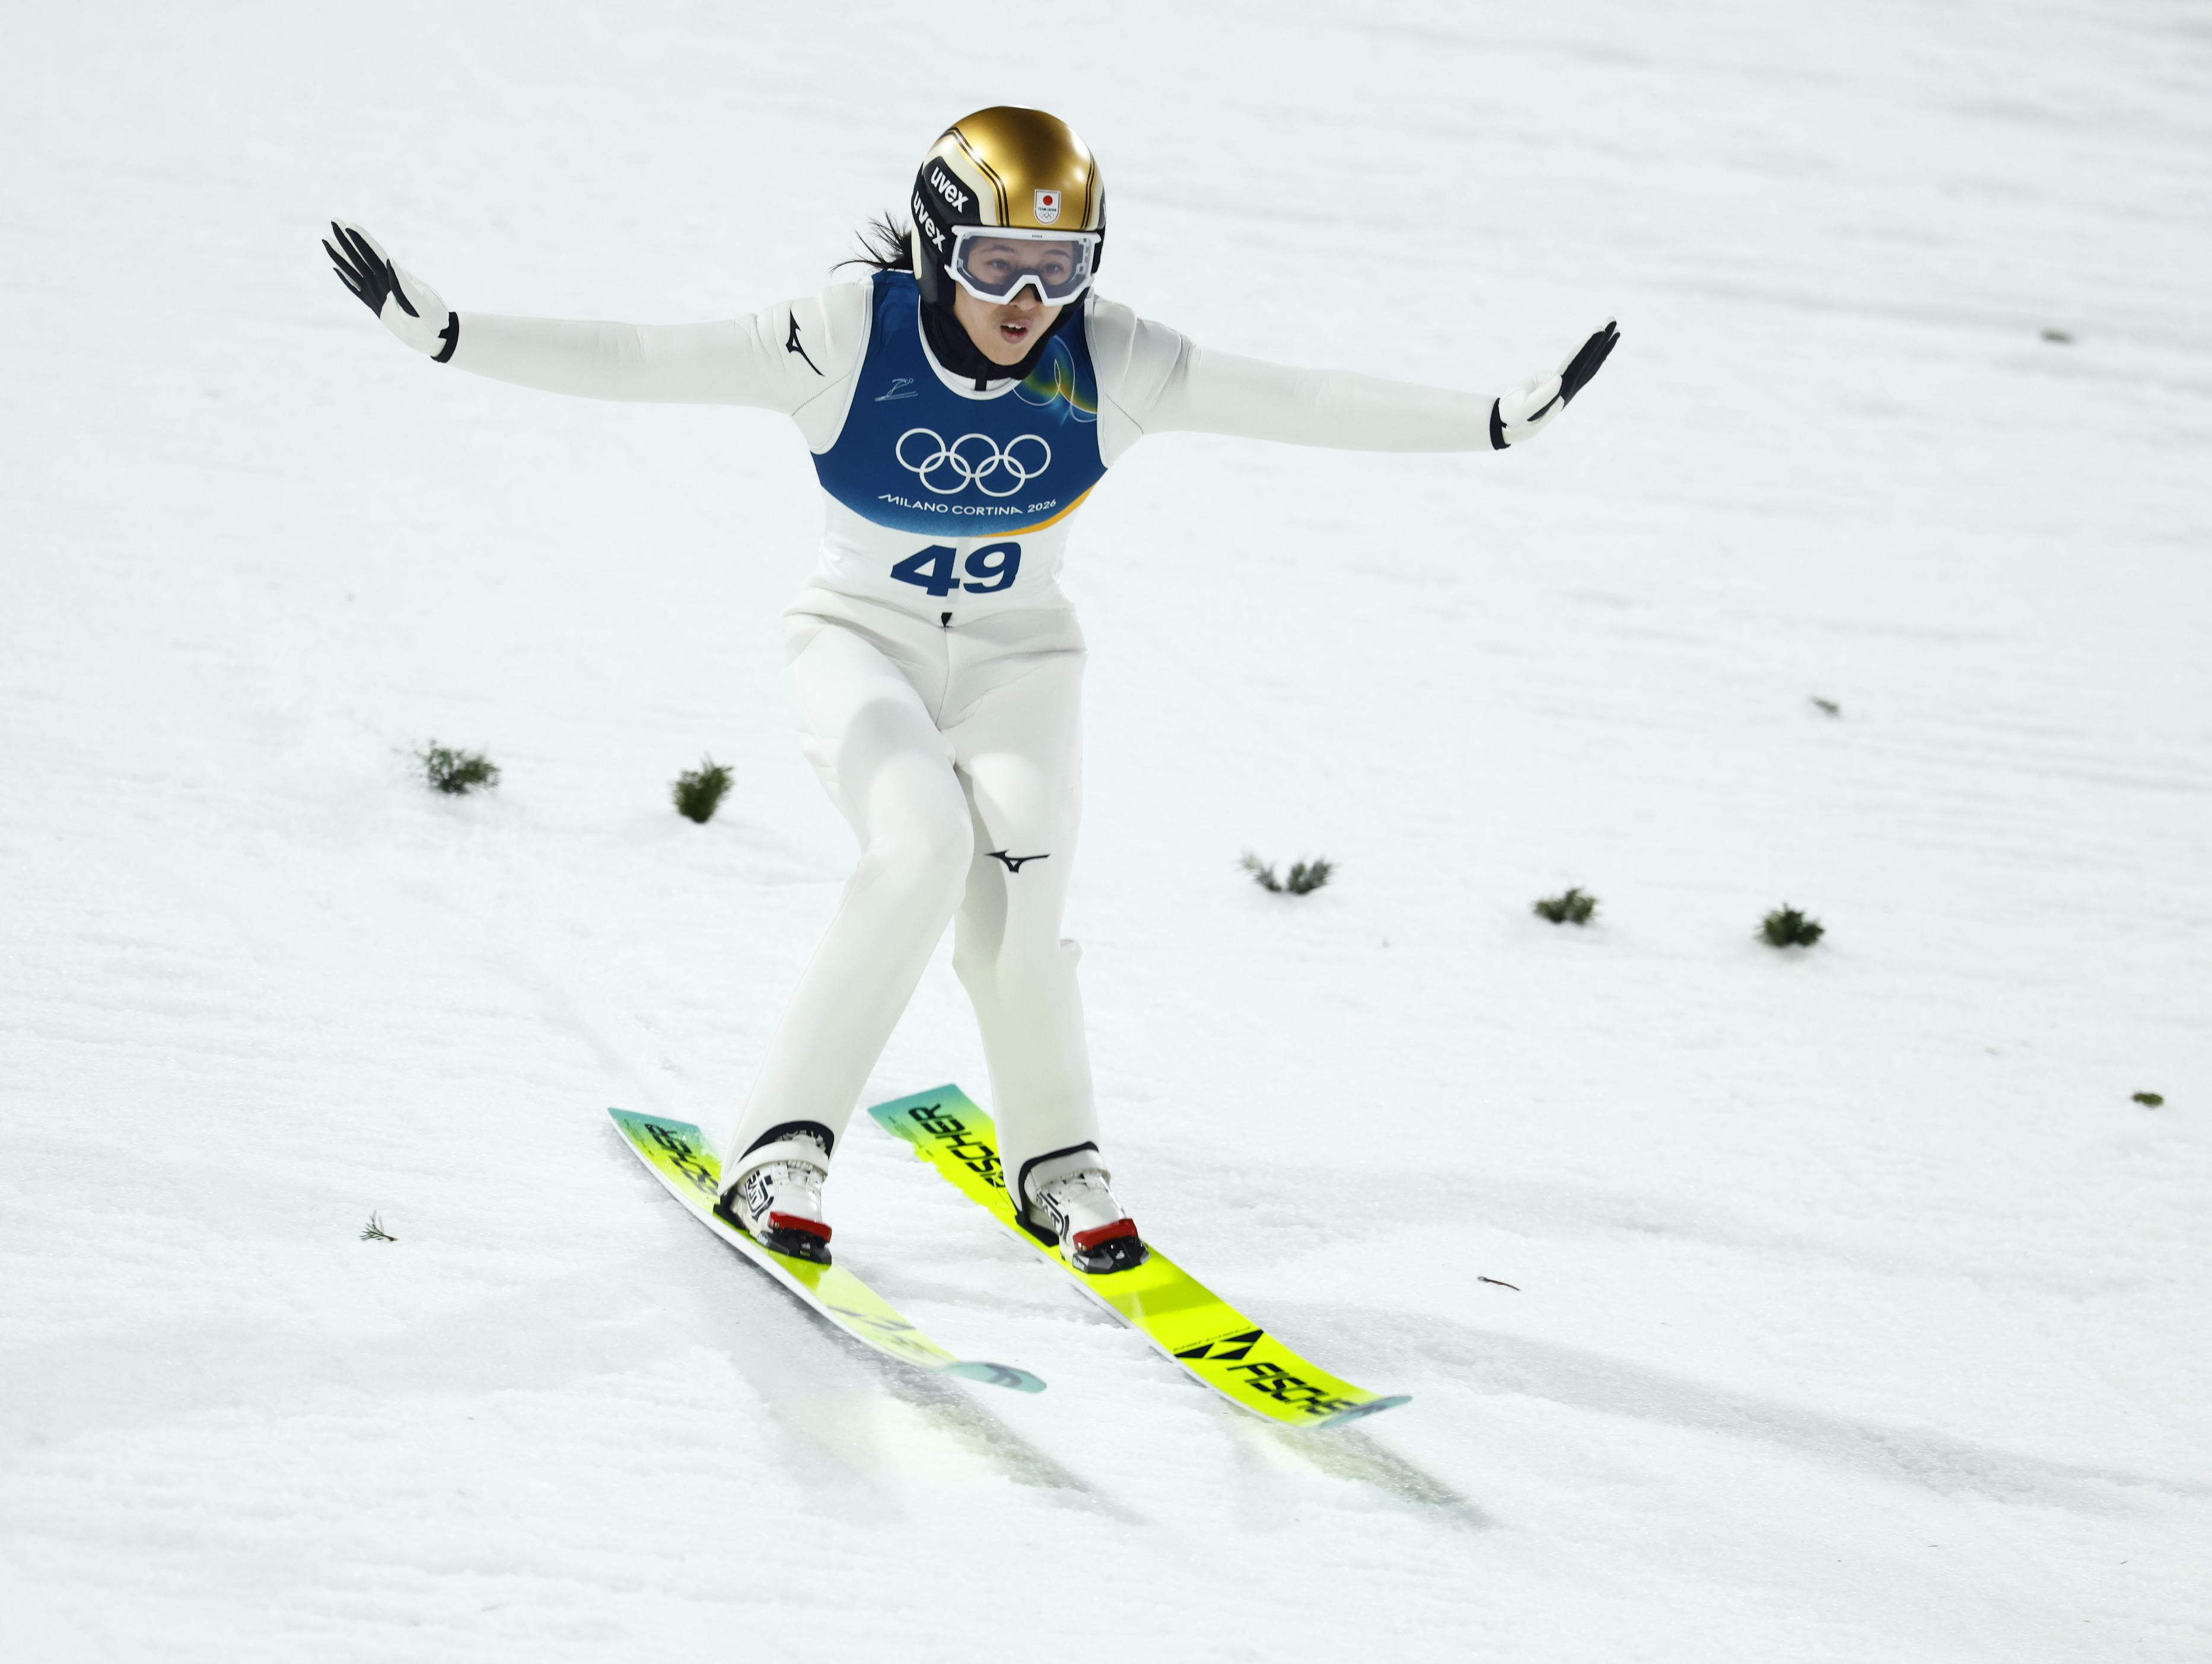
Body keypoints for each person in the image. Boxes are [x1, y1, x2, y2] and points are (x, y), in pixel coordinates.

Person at [325, 105, 1618, 1277]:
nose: (1029, 297)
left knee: (1019, 895)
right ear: (941, 248)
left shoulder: (1110, 360)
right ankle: (779, 1145)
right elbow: (646, 355)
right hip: (858, 645)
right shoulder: (844, 335)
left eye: (1061, 269)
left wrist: (1490, 421)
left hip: (1018, 665)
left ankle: (1058, 1163)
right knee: (919, 846)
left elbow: (1298, 398)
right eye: (999, 263)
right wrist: (454, 336)